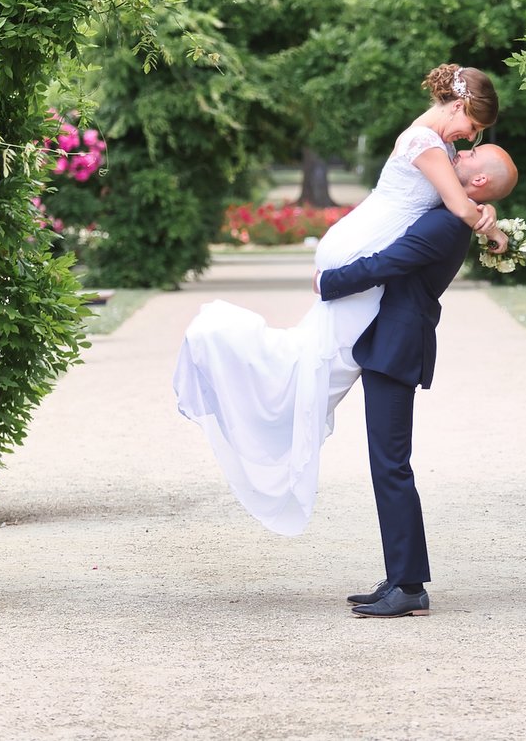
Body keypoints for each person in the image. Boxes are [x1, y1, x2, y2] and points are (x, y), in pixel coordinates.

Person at [173, 64, 505, 535]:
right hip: (360, 257)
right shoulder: (427, 144)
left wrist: (483, 207)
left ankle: (403, 578)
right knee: (312, 360)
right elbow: (457, 205)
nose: (471, 139)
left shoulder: (441, 144)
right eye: (473, 126)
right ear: (458, 106)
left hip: (362, 254)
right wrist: (494, 229)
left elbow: (466, 196)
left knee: (314, 356)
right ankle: (229, 356)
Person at [317, 144, 518, 618]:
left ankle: (409, 586)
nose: (462, 152)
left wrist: (328, 282)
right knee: (388, 464)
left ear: (480, 182)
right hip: (394, 342)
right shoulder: (451, 212)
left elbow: (388, 262)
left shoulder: (446, 224)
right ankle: (400, 576)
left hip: (396, 347)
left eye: (471, 154)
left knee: (391, 466)